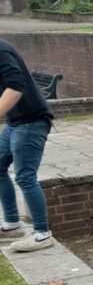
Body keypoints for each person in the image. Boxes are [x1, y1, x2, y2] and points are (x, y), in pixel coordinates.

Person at [0, 38, 55, 252]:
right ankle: (12, 224)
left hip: (32, 121)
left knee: (25, 176)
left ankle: (42, 234)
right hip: (15, 122)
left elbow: (16, 87)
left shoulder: (1, 50)